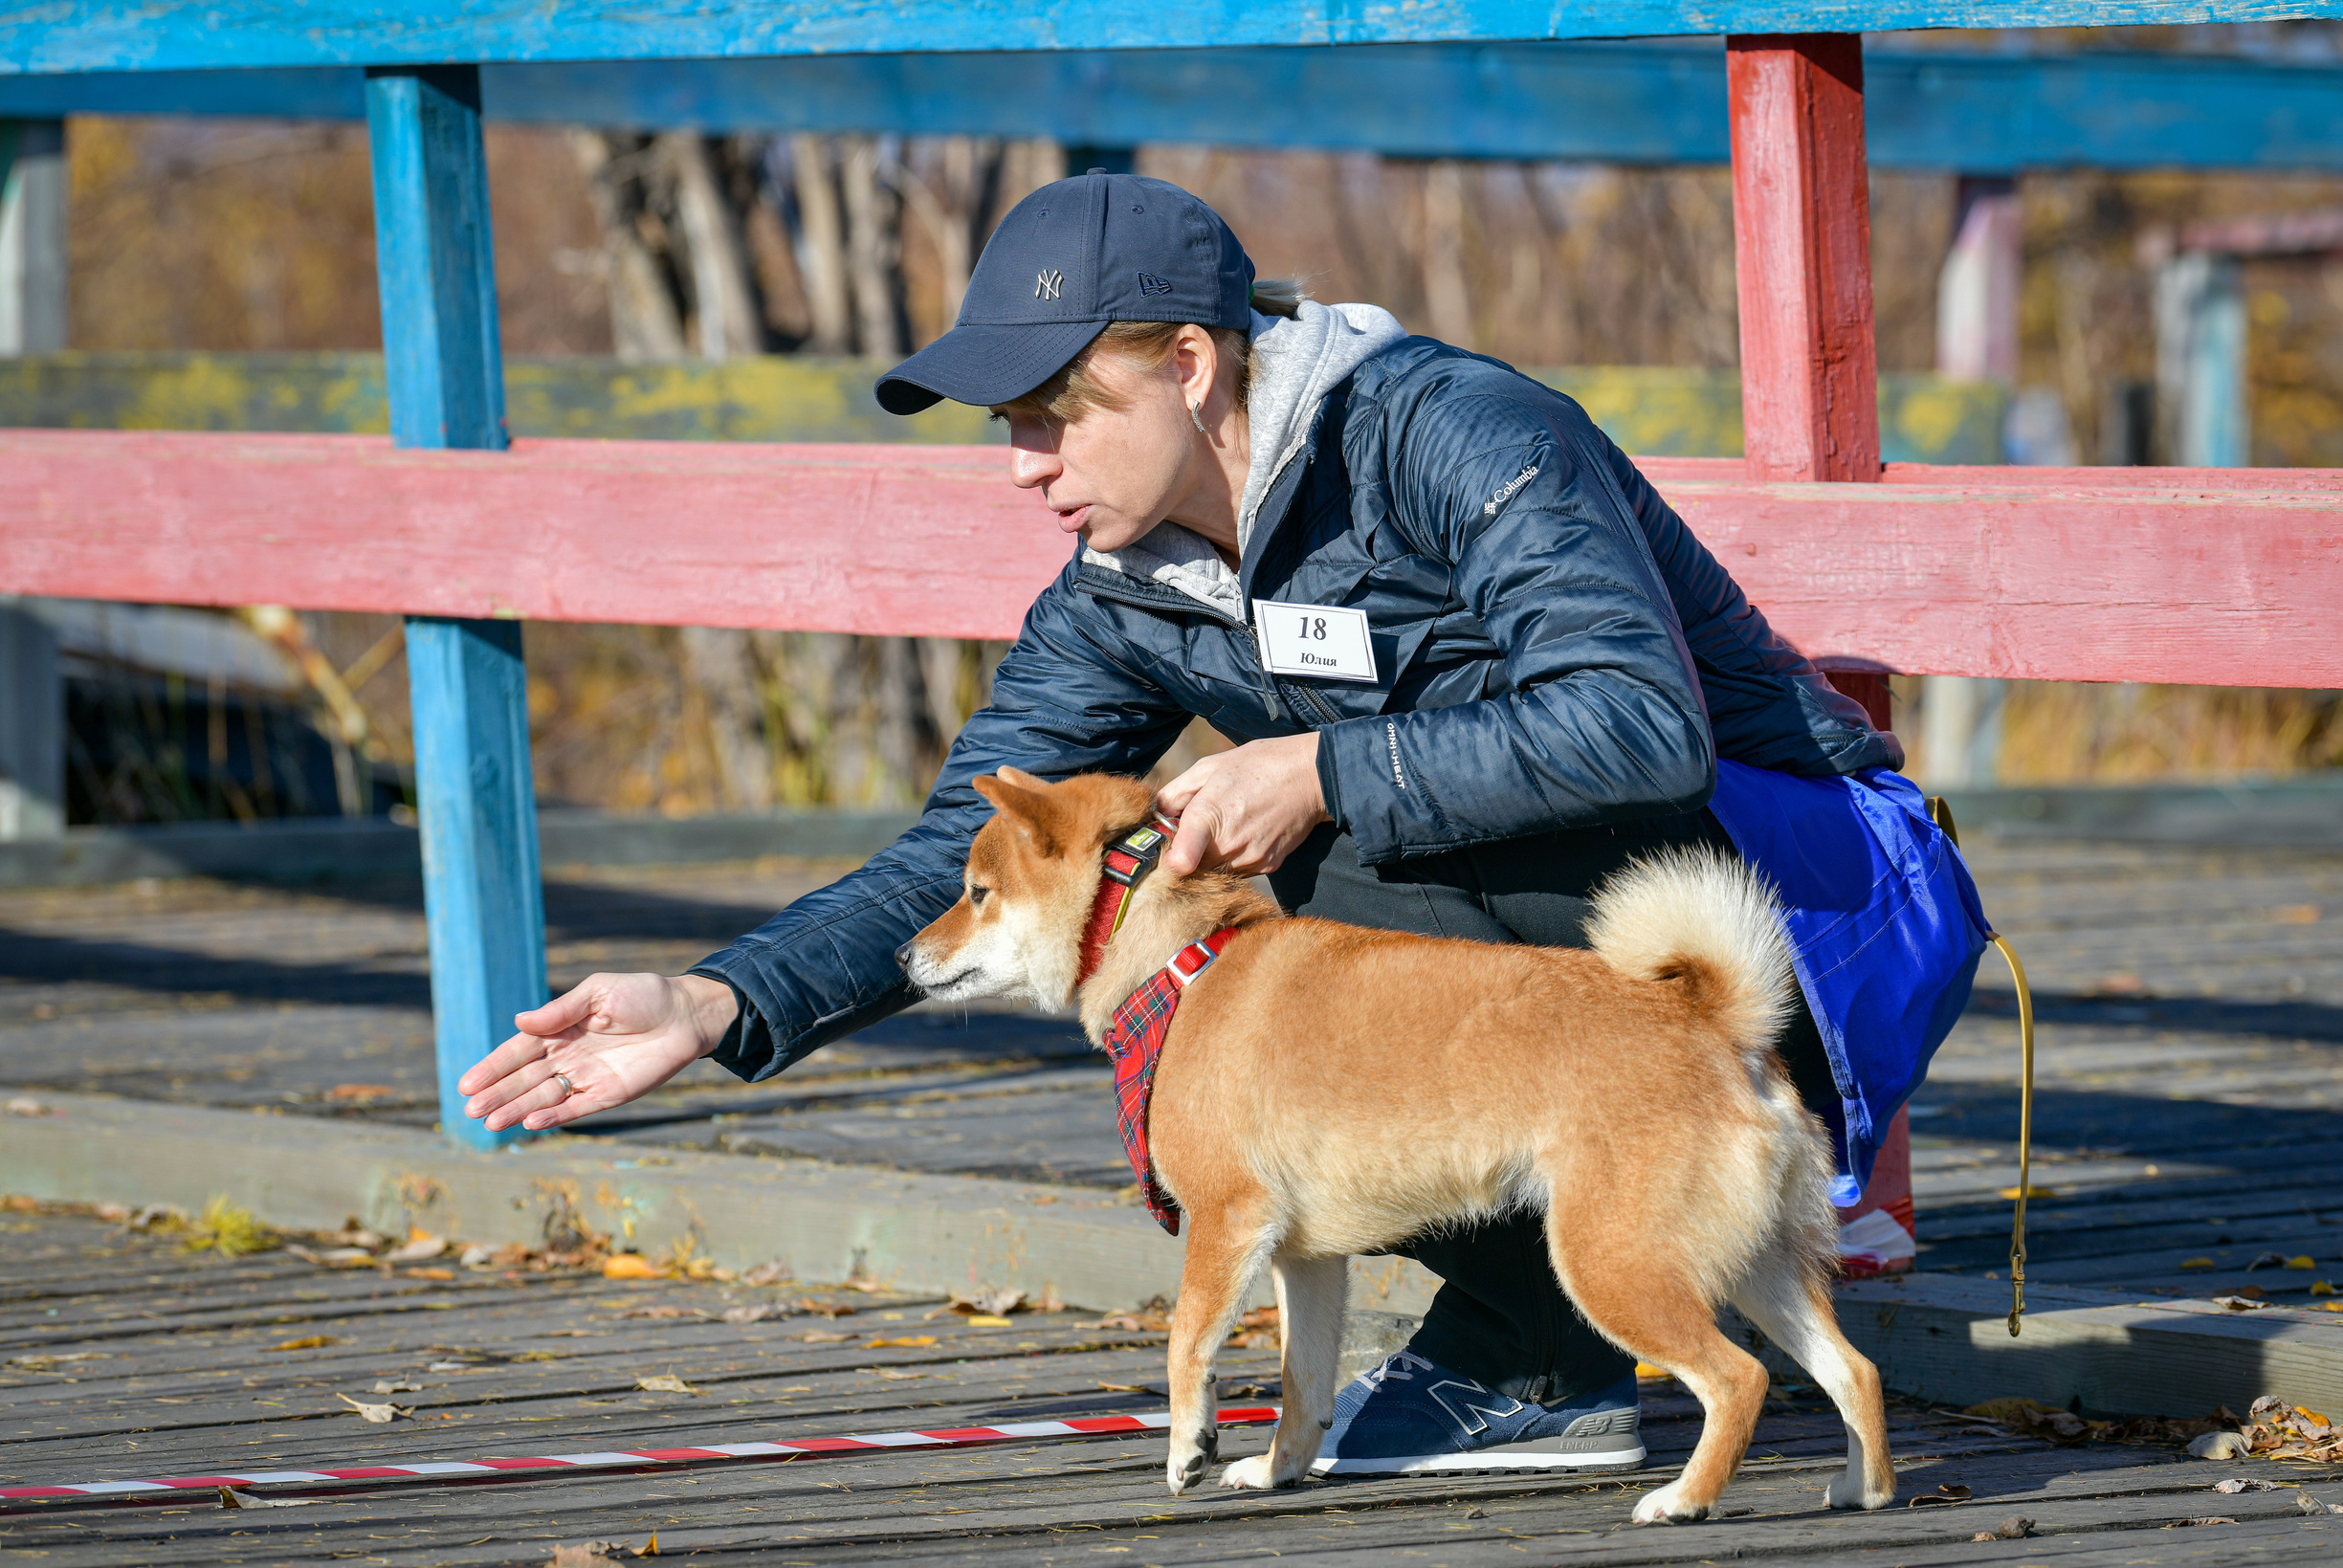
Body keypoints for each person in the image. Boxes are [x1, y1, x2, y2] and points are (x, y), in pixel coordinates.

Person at [456, 171, 1928, 1477]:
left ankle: (1546, 1345)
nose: (1023, 462)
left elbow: (1640, 726)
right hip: (1566, 967)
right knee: (1240, 959)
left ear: (1190, 362)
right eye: (1005, 426)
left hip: (1802, 912)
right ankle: (1549, 1332)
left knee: (1306, 874)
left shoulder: (1455, 431)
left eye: (1053, 415)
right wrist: (719, 1000)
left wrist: (1322, 770)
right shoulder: (1122, 588)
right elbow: (967, 856)